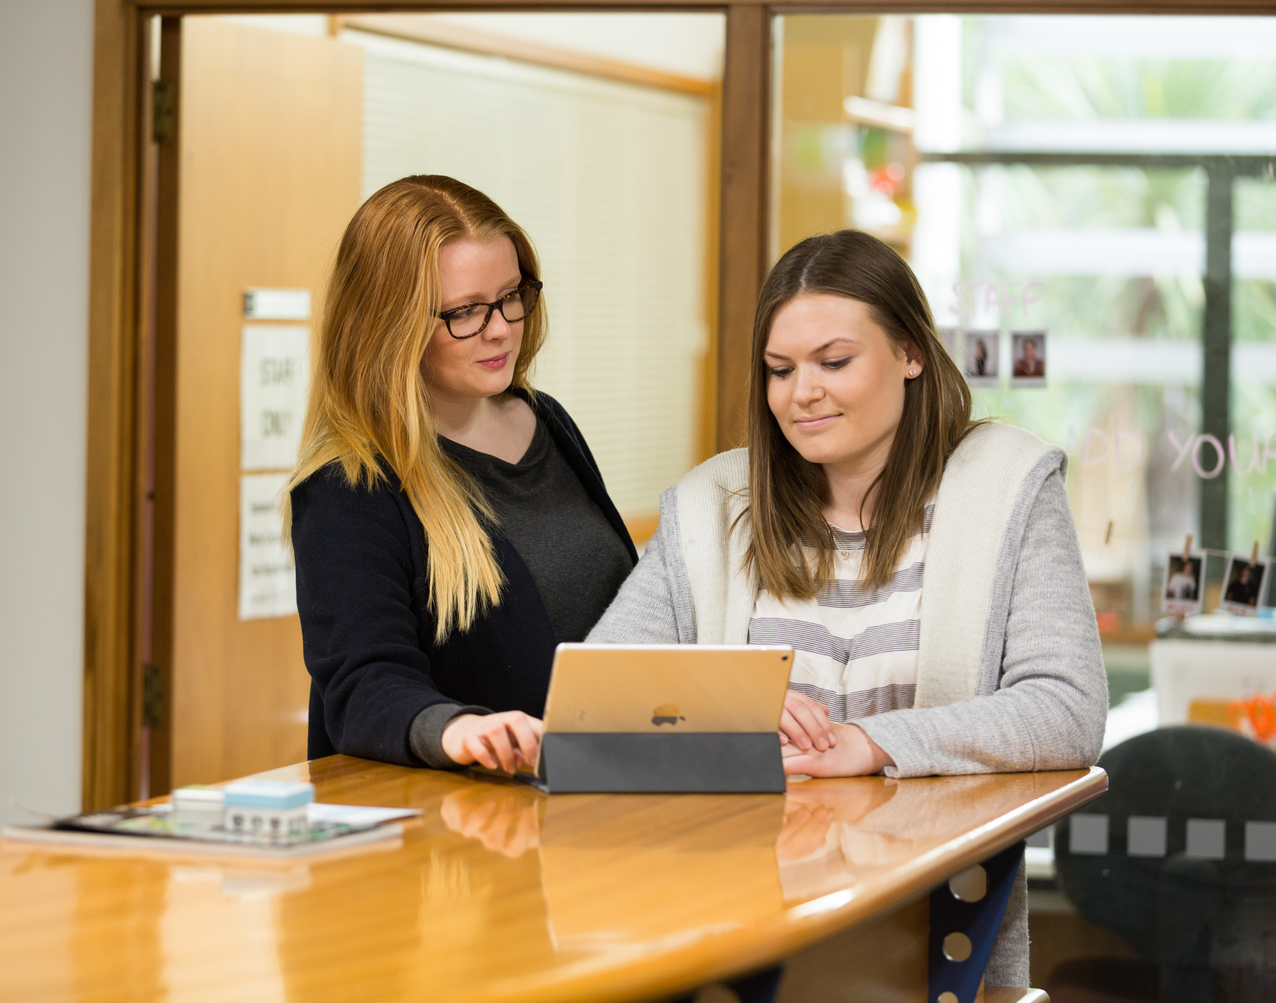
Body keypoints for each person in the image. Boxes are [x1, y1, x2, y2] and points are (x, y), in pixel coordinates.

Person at [588, 229, 1107, 989]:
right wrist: (734, 706)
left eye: (834, 362)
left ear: (910, 354)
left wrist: (871, 742)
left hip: (929, 946)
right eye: (780, 369)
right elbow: (600, 694)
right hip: (731, 936)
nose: (804, 391)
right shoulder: (712, 503)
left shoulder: (1007, 487)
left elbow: (1066, 707)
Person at [285, 176, 636, 775]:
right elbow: (363, 686)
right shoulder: (350, 484)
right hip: (464, 822)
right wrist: (459, 729)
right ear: (390, 326)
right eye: (466, 312)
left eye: (511, 295)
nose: (500, 327)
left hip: (589, 788)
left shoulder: (546, 421)